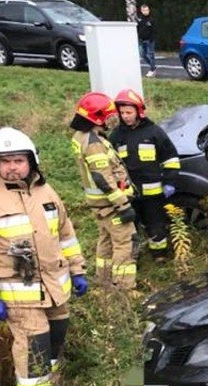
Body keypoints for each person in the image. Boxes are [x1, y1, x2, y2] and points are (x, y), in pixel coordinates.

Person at [0, 127, 87, 386]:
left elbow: (65, 233)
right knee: (35, 346)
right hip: (18, 296)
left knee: (55, 338)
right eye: (5, 161)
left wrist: (77, 270)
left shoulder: (46, 191)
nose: (12, 167)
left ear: (31, 161)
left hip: (55, 287)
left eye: (18, 160)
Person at [70, 92, 138, 291]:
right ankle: (124, 288)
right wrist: (123, 204)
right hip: (110, 204)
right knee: (126, 241)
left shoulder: (80, 136)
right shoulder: (93, 143)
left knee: (106, 240)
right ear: (97, 117)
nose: (111, 119)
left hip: (99, 204)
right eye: (107, 116)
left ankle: (104, 281)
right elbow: (103, 178)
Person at [109, 89, 180, 264]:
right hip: (128, 193)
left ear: (139, 112)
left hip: (153, 194)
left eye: (129, 112)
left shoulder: (154, 132)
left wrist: (169, 182)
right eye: (122, 112)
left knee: (155, 224)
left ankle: (159, 255)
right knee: (129, 227)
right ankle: (133, 256)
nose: (125, 116)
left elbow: (170, 158)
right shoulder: (116, 136)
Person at [136, 4, 156, 78]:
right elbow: (138, 29)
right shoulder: (139, 19)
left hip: (149, 40)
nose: (145, 12)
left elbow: (153, 30)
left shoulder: (151, 19)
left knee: (151, 55)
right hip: (142, 40)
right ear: (141, 11)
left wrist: (151, 39)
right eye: (144, 10)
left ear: (149, 10)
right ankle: (153, 66)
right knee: (143, 54)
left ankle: (152, 69)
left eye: (147, 10)